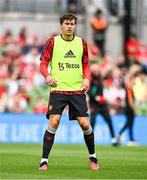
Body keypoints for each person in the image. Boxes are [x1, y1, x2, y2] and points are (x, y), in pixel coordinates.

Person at [39, 13, 99, 171]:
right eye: (66, 23)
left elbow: (86, 65)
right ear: (61, 25)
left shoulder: (82, 43)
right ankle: (44, 160)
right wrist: (47, 76)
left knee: (85, 124)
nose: (69, 26)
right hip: (58, 89)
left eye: (72, 24)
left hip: (77, 90)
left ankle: (93, 157)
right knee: (54, 122)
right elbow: (43, 64)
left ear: (75, 25)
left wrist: (86, 78)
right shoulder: (53, 42)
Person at [88, 63, 118, 146]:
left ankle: (113, 139)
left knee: (109, 120)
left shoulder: (100, 77)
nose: (96, 71)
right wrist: (96, 98)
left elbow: (107, 71)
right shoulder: (90, 80)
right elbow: (89, 91)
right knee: (92, 123)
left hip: (102, 104)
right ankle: (90, 140)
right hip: (94, 105)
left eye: (97, 69)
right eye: (94, 70)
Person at [116, 71, 138, 146]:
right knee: (129, 123)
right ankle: (119, 134)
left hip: (128, 109)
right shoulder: (129, 89)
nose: (134, 82)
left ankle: (131, 139)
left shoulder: (129, 88)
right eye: (133, 80)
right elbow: (130, 100)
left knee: (130, 124)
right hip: (129, 109)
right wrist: (134, 110)